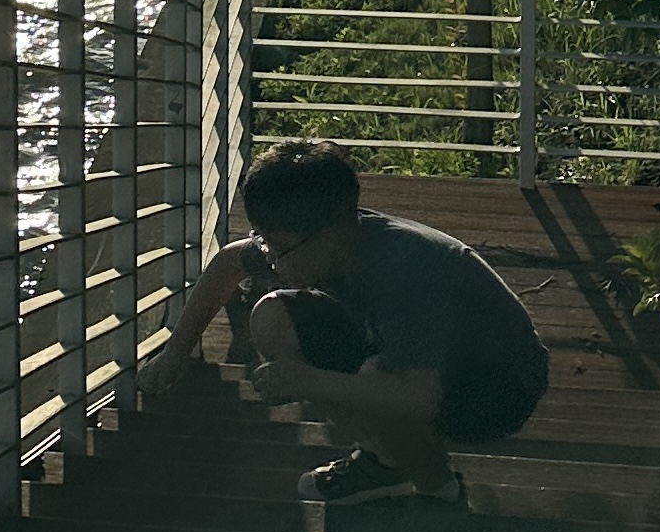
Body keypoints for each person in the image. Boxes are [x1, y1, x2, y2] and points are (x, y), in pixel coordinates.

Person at [152, 136, 549, 509]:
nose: (269, 257)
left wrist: (306, 380)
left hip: (497, 387)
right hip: (426, 358)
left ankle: (436, 488)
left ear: (327, 237)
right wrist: (173, 356)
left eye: (277, 247)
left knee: (376, 380)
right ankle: (387, 456)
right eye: (263, 240)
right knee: (273, 317)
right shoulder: (339, 240)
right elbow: (227, 264)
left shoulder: (403, 273)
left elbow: (419, 395)